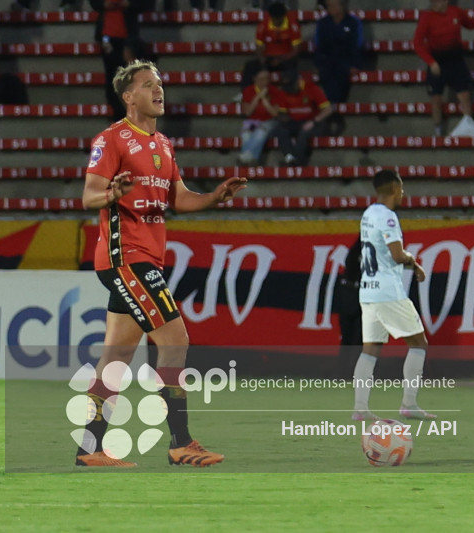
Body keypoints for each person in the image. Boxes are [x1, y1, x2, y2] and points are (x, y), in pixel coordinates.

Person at [79, 59, 247, 467]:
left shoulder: (164, 144)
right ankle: (181, 443)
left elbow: (179, 197)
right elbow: (89, 196)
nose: (158, 90)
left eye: (160, 84)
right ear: (128, 96)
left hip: (145, 257)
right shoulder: (112, 138)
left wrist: (213, 197)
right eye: (148, 84)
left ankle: (89, 450)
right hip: (126, 259)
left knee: (116, 357)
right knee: (176, 342)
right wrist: (111, 195)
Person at [352, 170, 435, 422]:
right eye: (401, 189)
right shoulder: (388, 217)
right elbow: (398, 255)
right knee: (419, 343)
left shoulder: (368, 214)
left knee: (371, 349)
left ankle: (360, 409)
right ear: (394, 189)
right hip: (388, 291)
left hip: (368, 290)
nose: (403, 193)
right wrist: (414, 262)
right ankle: (408, 404)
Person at [413, 0, 474, 136]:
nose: (433, 4)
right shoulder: (426, 17)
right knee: (436, 98)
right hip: (437, 62)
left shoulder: (456, 12)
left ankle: (470, 128)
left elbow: (470, 24)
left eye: (436, 1)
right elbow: (417, 43)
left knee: (465, 96)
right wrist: (431, 62)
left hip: (456, 61)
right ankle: (438, 131)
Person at [90, 0, 142, 122]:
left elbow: (145, 4)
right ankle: (119, 116)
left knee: (128, 78)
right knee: (112, 79)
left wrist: (128, 4)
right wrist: (103, 4)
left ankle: (129, 115)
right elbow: (94, 3)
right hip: (107, 37)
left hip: (128, 37)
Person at [271, 70, 332, 166]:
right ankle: (289, 158)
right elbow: (283, 115)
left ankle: (298, 161)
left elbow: (328, 109)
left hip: (315, 122)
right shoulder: (283, 91)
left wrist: (313, 122)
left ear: (298, 80)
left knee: (304, 131)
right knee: (280, 129)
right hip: (294, 121)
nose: (289, 88)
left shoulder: (311, 88)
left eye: (291, 85)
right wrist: (279, 115)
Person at [313, 0, 363, 105]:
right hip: (327, 61)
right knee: (326, 72)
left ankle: (333, 107)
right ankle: (333, 107)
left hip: (346, 60)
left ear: (342, 6)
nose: (332, 9)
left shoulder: (353, 22)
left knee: (342, 73)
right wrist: (318, 64)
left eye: (335, 6)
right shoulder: (322, 23)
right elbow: (319, 46)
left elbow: (358, 45)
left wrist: (355, 65)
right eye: (329, 6)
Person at [241, 1, 301, 88]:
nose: (276, 21)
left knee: (292, 68)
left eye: (279, 19)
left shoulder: (293, 25)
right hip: (268, 59)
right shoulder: (263, 25)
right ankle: (245, 94)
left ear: (283, 16)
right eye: (274, 19)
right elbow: (259, 47)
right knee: (250, 66)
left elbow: (296, 49)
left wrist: (281, 59)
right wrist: (263, 60)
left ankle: (288, 95)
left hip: (286, 58)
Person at [238, 67, 281, 165]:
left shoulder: (275, 91)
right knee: (246, 133)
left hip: (270, 121)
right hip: (253, 121)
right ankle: (252, 159)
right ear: (255, 79)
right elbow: (248, 112)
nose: (264, 82)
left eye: (267, 79)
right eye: (261, 79)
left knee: (260, 131)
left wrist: (265, 102)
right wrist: (257, 97)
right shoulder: (248, 91)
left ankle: (246, 156)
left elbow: (275, 114)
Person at [335, 237, 362, 379]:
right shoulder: (358, 250)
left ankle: (352, 372)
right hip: (351, 295)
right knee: (349, 337)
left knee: (357, 338)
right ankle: (344, 372)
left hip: (359, 296)